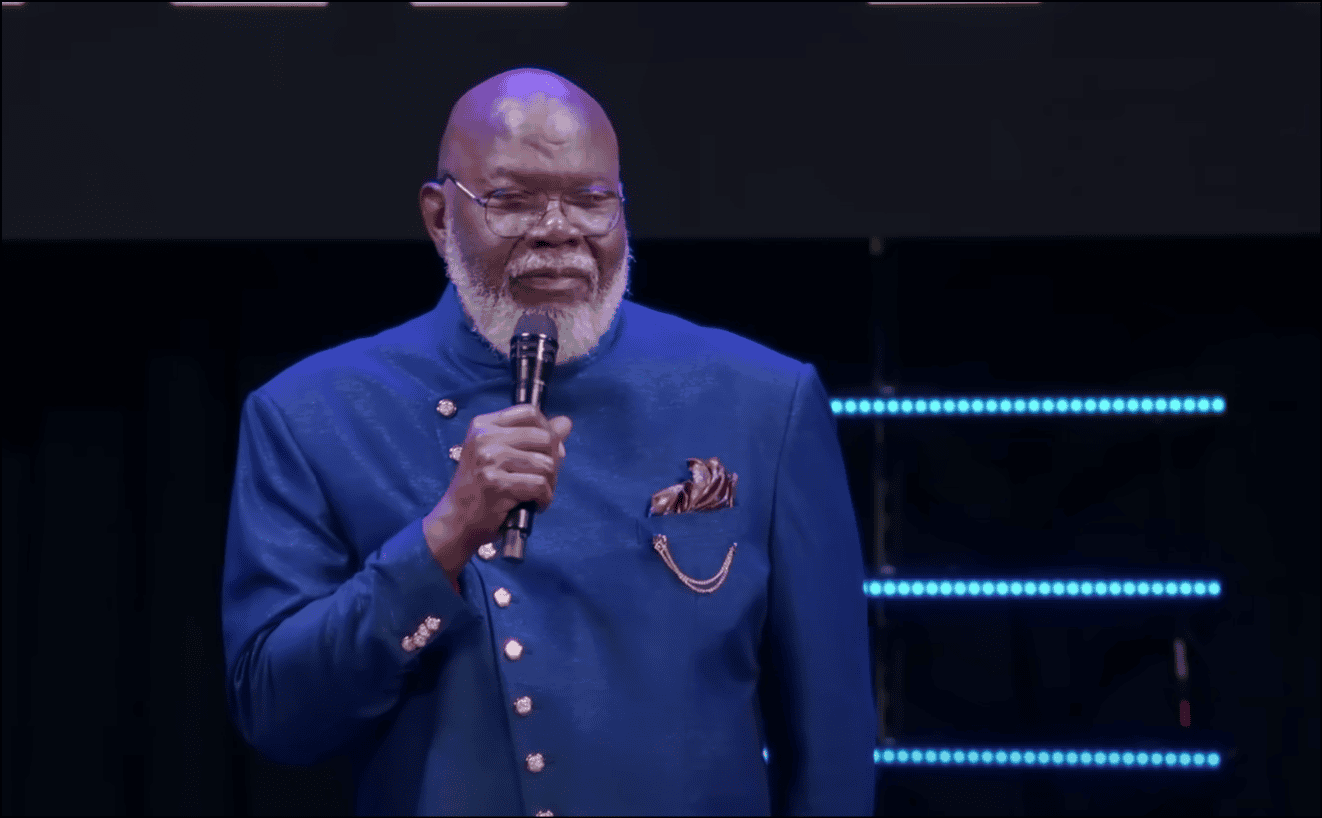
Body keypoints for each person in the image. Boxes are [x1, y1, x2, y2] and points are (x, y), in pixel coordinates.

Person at [221, 67, 877, 816]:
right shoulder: (313, 413)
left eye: (592, 201)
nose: (559, 230)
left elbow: (831, 743)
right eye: (512, 201)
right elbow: (275, 716)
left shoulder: (763, 400)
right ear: (439, 217)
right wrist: (443, 539)